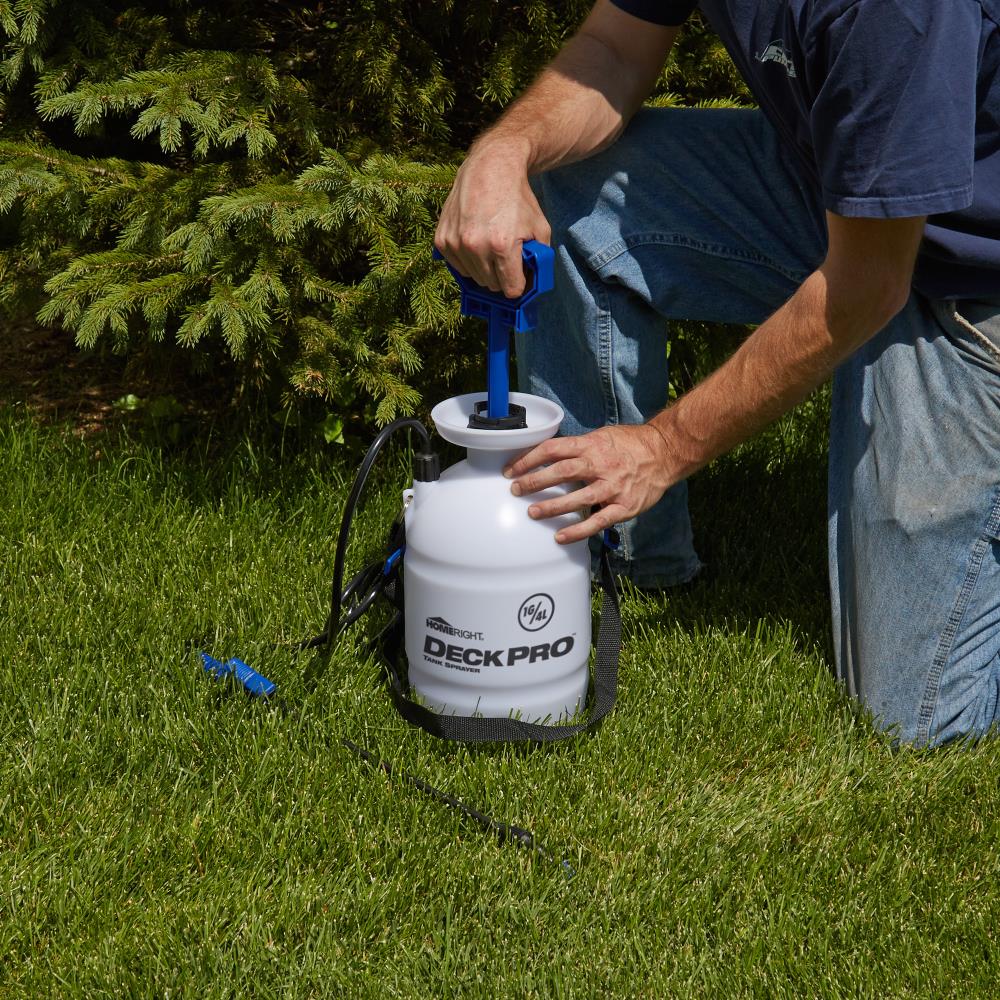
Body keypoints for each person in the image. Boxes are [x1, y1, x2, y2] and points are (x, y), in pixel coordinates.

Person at [433, 0, 1000, 746]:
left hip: (968, 278)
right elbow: (613, 50)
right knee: (570, 191)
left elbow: (867, 286)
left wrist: (662, 447)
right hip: (851, 202)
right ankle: (614, 557)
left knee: (917, 719)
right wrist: (502, 152)